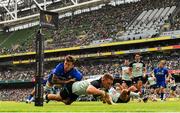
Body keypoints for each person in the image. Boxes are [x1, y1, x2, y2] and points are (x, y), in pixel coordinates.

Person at [45, 73, 114, 105]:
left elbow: (106, 97)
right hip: (71, 87)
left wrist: (110, 103)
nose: (109, 86)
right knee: (58, 97)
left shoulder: (102, 84)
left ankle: (62, 99)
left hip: (77, 92)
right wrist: (102, 93)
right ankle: (46, 96)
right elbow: (89, 90)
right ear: (103, 80)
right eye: (108, 83)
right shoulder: (96, 82)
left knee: (67, 103)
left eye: (111, 84)